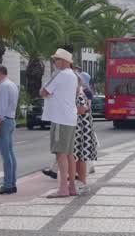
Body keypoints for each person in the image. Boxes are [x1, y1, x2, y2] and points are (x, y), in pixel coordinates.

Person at [40, 48, 80, 198]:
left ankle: (63, 188)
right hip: (69, 118)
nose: (54, 62)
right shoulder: (73, 75)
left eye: (56, 59)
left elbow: (44, 92)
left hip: (59, 119)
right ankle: (72, 187)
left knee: (60, 154)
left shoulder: (61, 75)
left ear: (64, 61)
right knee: (69, 154)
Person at [0, 64, 20, 194]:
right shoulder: (11, 85)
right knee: (10, 154)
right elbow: (7, 102)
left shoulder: (4, 86)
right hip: (10, 120)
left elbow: (2, 107)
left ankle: (7, 185)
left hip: (4, 121)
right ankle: (12, 183)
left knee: (6, 155)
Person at [71, 65, 98, 191]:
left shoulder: (79, 93)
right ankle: (80, 181)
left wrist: (67, 110)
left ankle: (80, 181)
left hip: (80, 128)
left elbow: (81, 109)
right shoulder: (81, 91)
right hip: (83, 127)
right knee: (79, 155)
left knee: (78, 155)